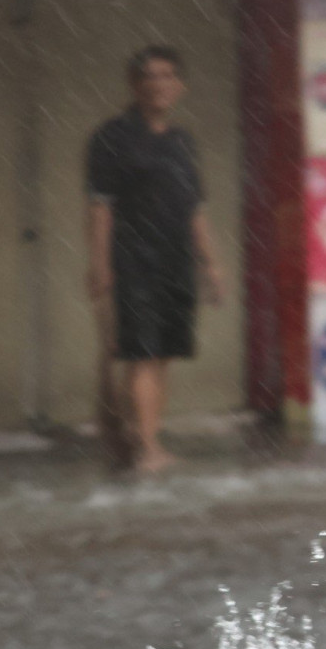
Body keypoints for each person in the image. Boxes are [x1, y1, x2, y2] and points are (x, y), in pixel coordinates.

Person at [86, 45, 224, 473]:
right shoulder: (112, 138)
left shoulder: (183, 142)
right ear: (134, 84)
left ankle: (146, 437)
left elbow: (195, 208)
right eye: (150, 76)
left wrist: (211, 263)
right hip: (133, 260)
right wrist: (99, 263)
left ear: (179, 86)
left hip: (175, 259)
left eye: (168, 76)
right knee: (140, 353)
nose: (159, 84)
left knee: (162, 354)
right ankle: (145, 448)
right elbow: (99, 207)